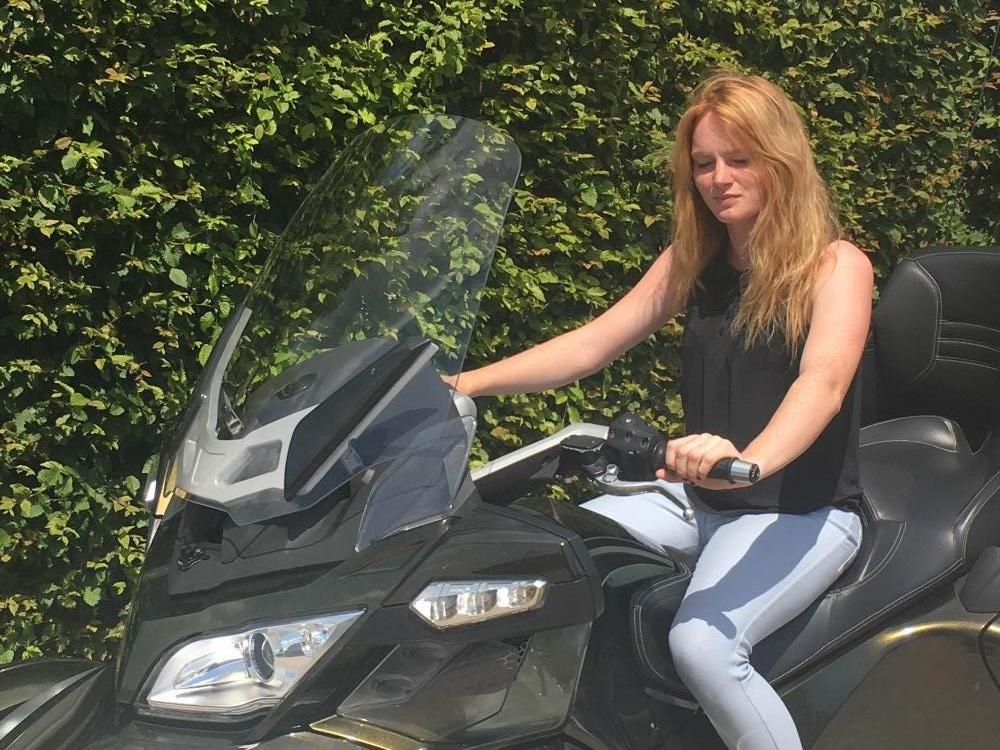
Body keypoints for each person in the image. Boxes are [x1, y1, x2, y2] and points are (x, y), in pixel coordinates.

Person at [448, 71, 872, 750]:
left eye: (739, 159)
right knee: (540, 560)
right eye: (704, 163)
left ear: (781, 160)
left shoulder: (835, 266)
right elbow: (592, 344)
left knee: (704, 648)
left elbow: (821, 385)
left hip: (801, 509)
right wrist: (463, 383)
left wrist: (748, 460)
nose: (719, 179)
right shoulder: (694, 259)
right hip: (695, 501)